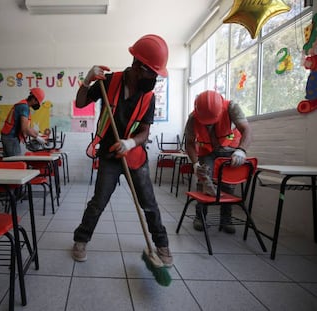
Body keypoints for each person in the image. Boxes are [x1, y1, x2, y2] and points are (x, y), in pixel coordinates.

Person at [72, 34, 173, 267]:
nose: (155, 78)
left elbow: (145, 132)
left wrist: (130, 143)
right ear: (138, 66)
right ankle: (81, 240)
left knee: (149, 203)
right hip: (109, 155)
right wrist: (87, 82)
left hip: (135, 155)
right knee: (98, 201)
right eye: (152, 72)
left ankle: (161, 244)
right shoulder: (109, 82)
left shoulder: (149, 96)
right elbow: (80, 103)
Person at [184, 90, 253, 233]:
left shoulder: (231, 107)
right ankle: (200, 217)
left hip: (229, 149)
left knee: (228, 184)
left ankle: (226, 219)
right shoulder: (193, 117)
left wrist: (242, 150)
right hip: (207, 151)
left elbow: (247, 130)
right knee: (203, 180)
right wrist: (195, 163)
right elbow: (189, 143)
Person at [1, 88, 46, 157]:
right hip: (11, 138)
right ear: (34, 99)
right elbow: (25, 129)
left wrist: (38, 134)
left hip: (8, 136)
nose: (37, 105)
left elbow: (25, 127)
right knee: (15, 163)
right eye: (38, 102)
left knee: (9, 163)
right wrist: (38, 138)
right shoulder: (24, 107)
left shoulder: (22, 104)